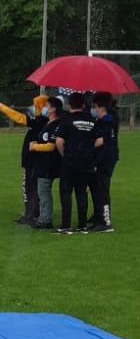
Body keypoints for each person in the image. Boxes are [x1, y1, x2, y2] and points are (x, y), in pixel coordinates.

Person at [0, 94, 48, 223]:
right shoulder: (46, 122)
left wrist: (1, 107)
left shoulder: (38, 121)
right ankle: (36, 212)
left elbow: (17, 117)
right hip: (41, 159)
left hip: (31, 160)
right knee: (37, 187)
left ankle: (30, 215)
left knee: (29, 187)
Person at [54, 91, 100, 233]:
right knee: (82, 193)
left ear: (69, 105)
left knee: (66, 192)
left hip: (70, 160)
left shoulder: (66, 119)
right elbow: (99, 140)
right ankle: (82, 225)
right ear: (83, 104)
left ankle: (66, 225)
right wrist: (88, 149)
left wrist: (65, 155)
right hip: (87, 161)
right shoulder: (91, 120)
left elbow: (59, 142)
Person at [27, 97, 61, 229]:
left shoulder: (55, 124)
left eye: (47, 106)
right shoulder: (48, 123)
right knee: (42, 191)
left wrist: (35, 146)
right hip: (42, 163)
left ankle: (45, 220)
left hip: (49, 163)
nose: (44, 108)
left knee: (44, 191)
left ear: (53, 109)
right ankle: (43, 216)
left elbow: (51, 146)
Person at [88, 93, 116, 232]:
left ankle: (105, 222)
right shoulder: (105, 120)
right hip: (103, 158)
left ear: (101, 107)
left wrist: (85, 147)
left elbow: (100, 141)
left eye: (95, 107)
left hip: (104, 160)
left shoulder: (106, 122)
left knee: (101, 190)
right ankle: (98, 216)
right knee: (96, 189)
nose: (94, 110)